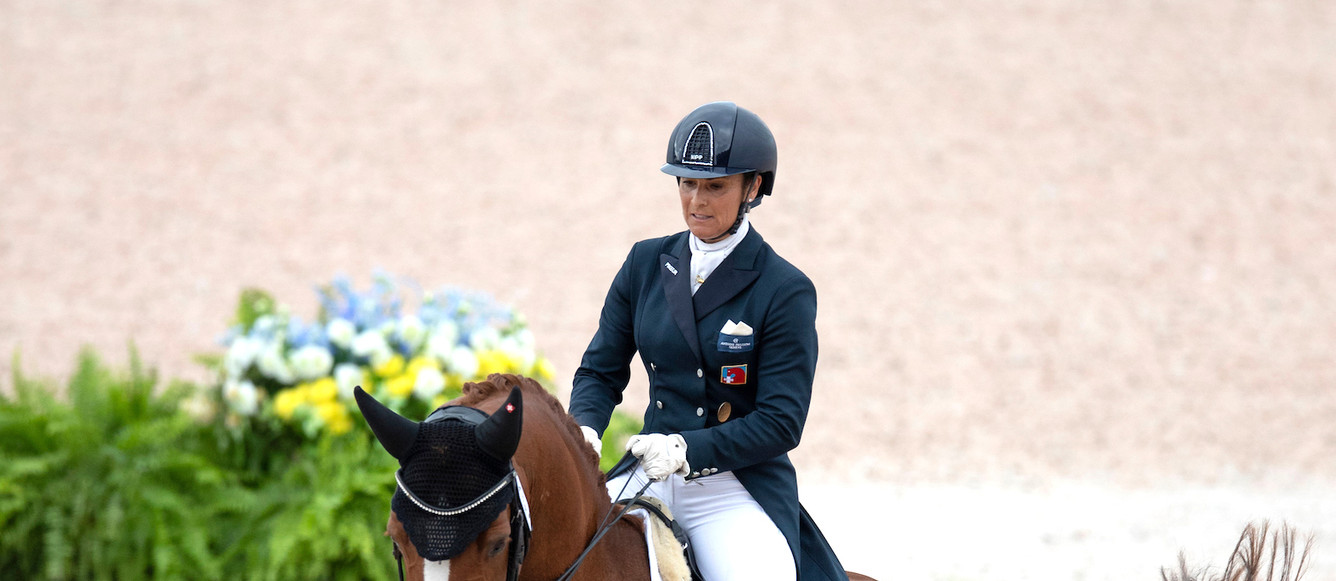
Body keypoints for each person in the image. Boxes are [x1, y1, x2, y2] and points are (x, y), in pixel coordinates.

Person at [569, 101, 848, 581]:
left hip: (730, 487)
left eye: (715, 186)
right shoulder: (645, 263)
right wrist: (584, 430)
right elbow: (600, 370)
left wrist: (686, 449)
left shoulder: (784, 289)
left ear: (752, 187)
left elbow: (781, 423)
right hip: (646, 473)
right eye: (687, 183)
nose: (697, 200)